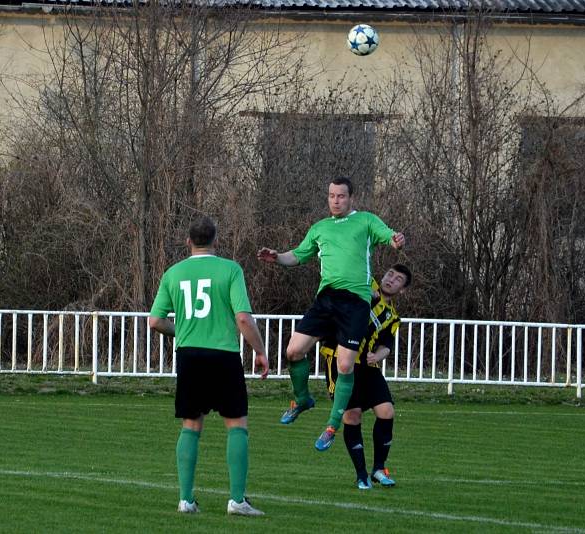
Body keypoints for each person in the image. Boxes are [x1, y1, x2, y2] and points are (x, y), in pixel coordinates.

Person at [257, 177, 405, 451]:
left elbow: (389, 237)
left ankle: (332, 426)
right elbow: (298, 256)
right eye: (332, 196)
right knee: (293, 351)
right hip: (326, 300)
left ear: (351, 198)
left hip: (355, 303)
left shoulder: (366, 221)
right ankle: (302, 400)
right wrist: (277, 257)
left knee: (345, 365)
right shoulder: (320, 228)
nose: (335, 201)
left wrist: (396, 240)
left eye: (341, 196)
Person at [149, 216, 270, 517]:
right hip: (223, 355)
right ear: (217, 240)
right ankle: (237, 500)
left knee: (191, 425)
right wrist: (260, 351)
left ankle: (186, 500)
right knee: (236, 425)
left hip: (190, 356)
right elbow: (242, 318)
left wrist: (186, 330)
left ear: (188, 241)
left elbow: (155, 321)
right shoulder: (230, 269)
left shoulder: (173, 273)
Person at [321, 264, 411, 489]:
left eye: (398, 279)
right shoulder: (365, 285)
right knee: (352, 416)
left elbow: (386, 345)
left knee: (387, 411)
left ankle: (379, 469)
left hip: (367, 367)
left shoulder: (392, 316)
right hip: (341, 359)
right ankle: (361, 475)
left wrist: (377, 356)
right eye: (390, 274)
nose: (391, 279)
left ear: (402, 290)